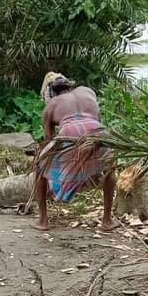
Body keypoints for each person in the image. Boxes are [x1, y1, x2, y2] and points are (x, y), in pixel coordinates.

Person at [32, 72, 121, 232]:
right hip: (96, 131)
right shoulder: (87, 91)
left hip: (70, 132)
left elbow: (49, 141)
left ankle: (43, 220)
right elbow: (96, 120)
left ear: (51, 93)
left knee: (39, 167)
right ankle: (107, 220)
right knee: (109, 169)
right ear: (69, 86)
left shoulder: (51, 106)